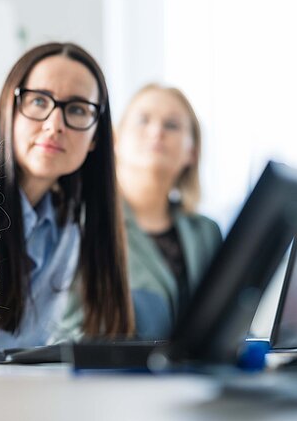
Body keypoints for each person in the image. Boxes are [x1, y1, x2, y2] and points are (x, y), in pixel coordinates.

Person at [0, 43, 133, 363]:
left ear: (96, 136)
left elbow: (35, 347)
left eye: (77, 109)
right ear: (10, 109)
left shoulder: (66, 224)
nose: (54, 125)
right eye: (39, 101)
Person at [58, 84, 222, 340]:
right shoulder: (82, 223)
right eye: (143, 120)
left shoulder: (206, 232)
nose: (156, 132)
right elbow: (66, 334)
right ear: (116, 140)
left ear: (192, 152)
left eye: (172, 125)